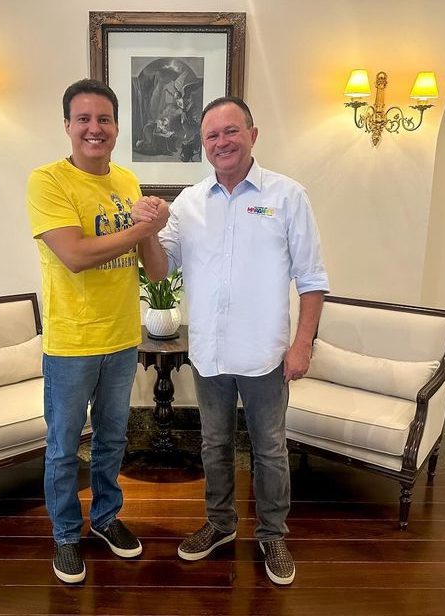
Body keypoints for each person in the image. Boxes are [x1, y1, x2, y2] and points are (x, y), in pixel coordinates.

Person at [134, 96, 329, 585]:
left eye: (231, 131)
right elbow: (159, 270)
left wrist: (302, 345)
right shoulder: (189, 203)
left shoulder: (287, 196)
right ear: (203, 144)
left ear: (252, 135)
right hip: (210, 352)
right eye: (212, 135)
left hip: (265, 353)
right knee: (214, 444)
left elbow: (312, 280)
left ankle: (272, 534)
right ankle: (220, 525)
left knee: (270, 449)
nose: (222, 142)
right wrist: (146, 231)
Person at [26, 78, 169, 584]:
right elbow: (75, 255)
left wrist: (153, 227)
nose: (94, 128)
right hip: (71, 342)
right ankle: (66, 535)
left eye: (104, 119)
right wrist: (142, 227)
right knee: (64, 447)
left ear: (116, 127)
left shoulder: (128, 182)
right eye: (84, 119)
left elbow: (156, 271)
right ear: (67, 125)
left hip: (122, 337)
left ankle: (106, 518)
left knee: (112, 440)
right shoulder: (48, 181)